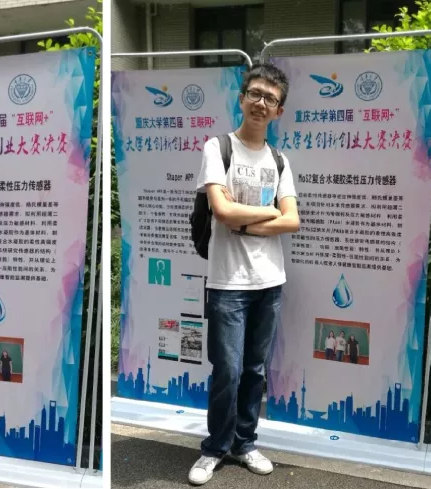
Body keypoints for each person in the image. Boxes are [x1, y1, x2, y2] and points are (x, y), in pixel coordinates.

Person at [188, 63, 299, 486]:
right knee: (227, 371)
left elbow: (293, 220)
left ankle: (245, 442)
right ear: (241, 98)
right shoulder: (218, 148)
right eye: (255, 93)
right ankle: (215, 447)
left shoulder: (279, 160)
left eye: (270, 98)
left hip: (270, 282)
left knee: (255, 370)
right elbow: (221, 210)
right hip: (227, 282)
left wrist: (248, 222)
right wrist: (269, 212)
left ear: (279, 111)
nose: (261, 103)